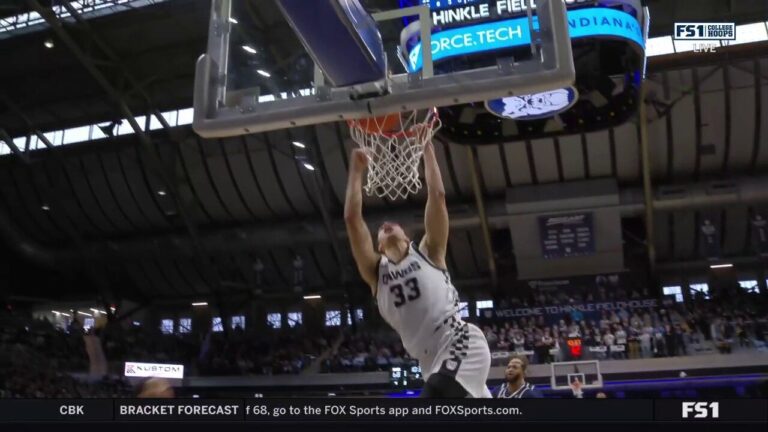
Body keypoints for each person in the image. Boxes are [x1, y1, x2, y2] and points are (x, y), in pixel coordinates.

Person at [344, 142, 491, 398]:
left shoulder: (428, 252)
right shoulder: (376, 272)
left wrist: (428, 150)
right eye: (381, 227)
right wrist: (356, 170)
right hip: (429, 362)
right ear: (378, 245)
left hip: (458, 340)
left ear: (406, 235)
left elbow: (438, 197)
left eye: (393, 224)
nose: (386, 225)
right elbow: (352, 220)